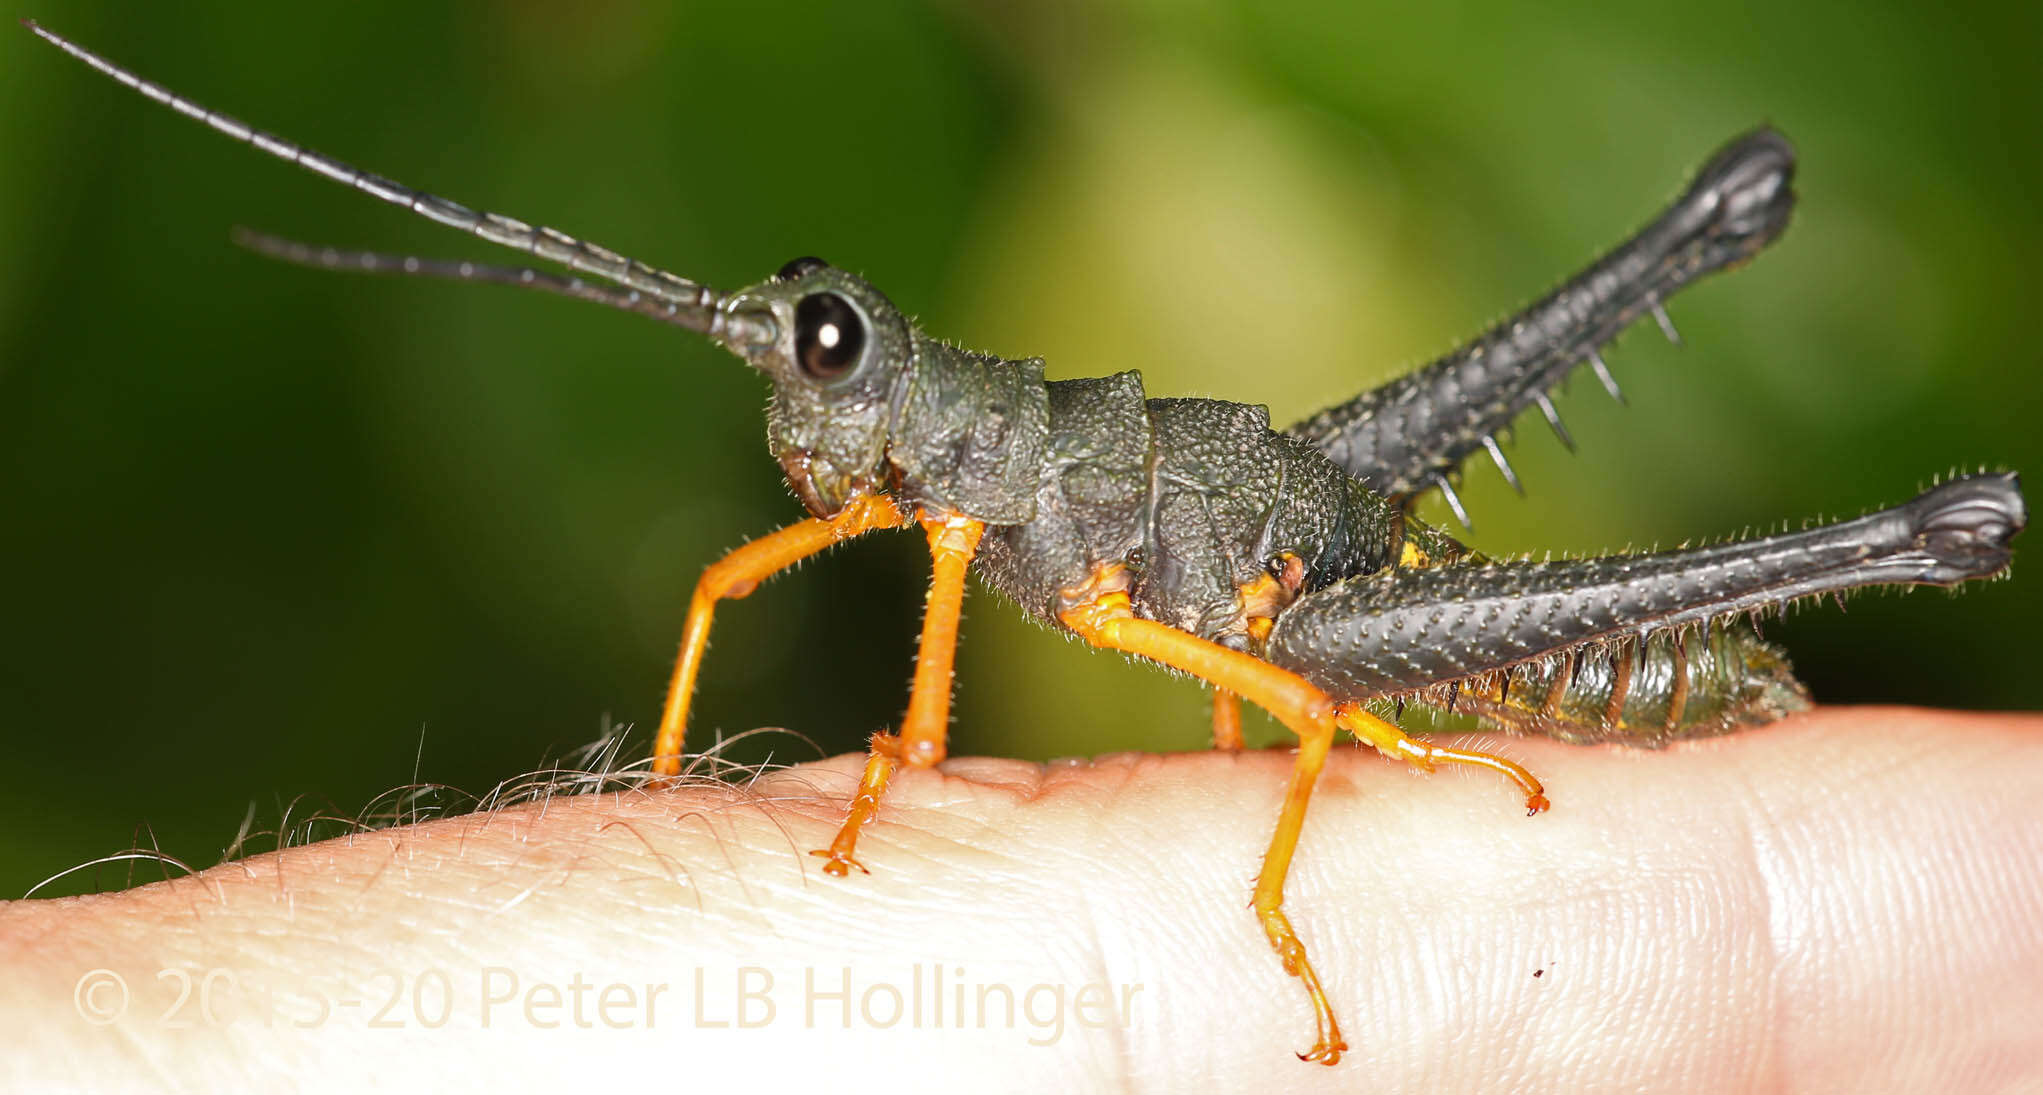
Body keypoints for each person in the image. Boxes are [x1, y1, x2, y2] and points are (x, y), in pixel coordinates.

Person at [5, 707, 2038, 1091]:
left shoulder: (1028, 490)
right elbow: (725, 596)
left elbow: (1295, 710)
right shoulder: (933, 500)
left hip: (1351, 625)